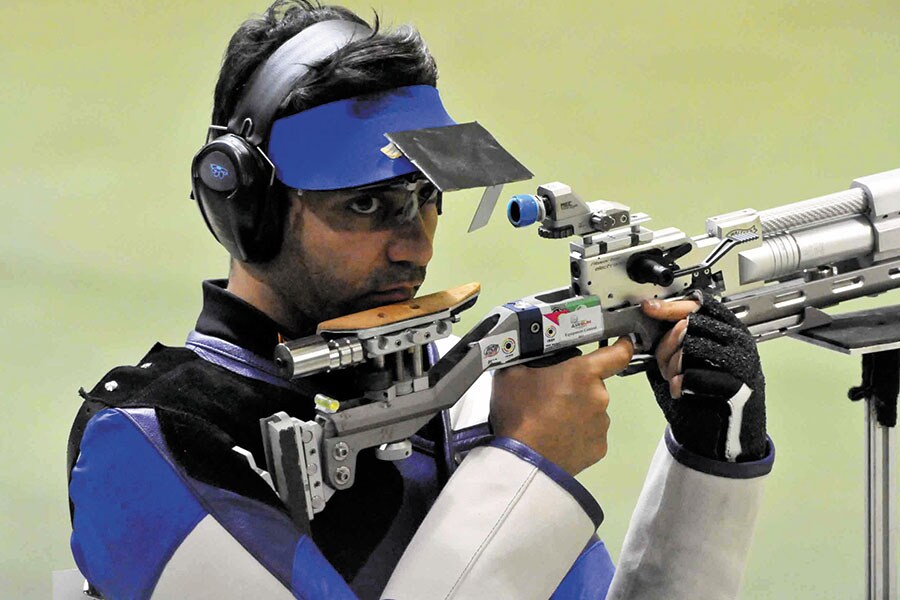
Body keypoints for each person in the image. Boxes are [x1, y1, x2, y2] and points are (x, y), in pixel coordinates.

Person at [66, 2, 774, 599]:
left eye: (426, 199)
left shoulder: (460, 393)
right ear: (245, 205)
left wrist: (709, 470)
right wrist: (523, 462)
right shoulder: (148, 445)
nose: (417, 247)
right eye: (369, 203)